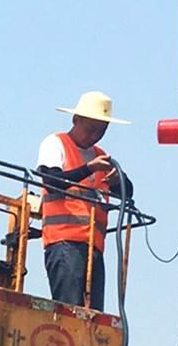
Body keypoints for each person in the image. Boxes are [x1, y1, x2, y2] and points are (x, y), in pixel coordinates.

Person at [36, 91, 133, 311]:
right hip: (64, 242)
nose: (95, 136)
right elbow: (52, 180)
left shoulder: (101, 155)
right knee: (70, 311)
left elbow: (130, 191)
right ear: (76, 120)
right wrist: (88, 169)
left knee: (93, 315)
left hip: (94, 247)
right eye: (91, 129)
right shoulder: (56, 143)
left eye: (102, 131)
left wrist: (119, 180)